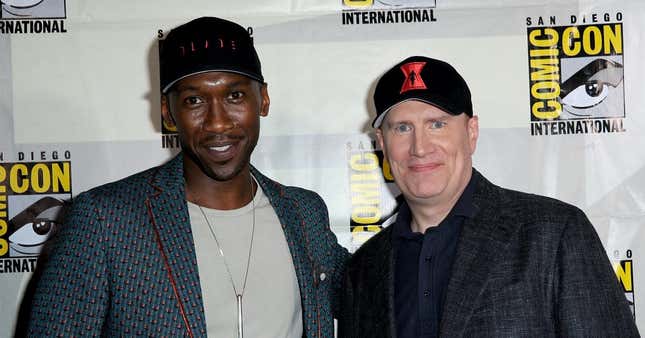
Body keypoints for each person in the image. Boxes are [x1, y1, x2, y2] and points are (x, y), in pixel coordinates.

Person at [27, 17, 348, 337]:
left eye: (235, 96)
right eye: (194, 101)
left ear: (262, 99)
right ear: (168, 113)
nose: (218, 122)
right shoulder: (106, 219)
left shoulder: (304, 213)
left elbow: (372, 290)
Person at [339, 56, 639, 337]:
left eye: (437, 124)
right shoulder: (364, 269)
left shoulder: (553, 234)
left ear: (471, 132)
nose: (419, 147)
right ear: (382, 142)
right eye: (402, 128)